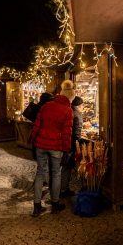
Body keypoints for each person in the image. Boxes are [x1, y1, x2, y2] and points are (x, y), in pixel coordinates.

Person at [30, 80, 75, 216]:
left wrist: (33, 143)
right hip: (56, 147)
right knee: (56, 174)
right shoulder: (68, 110)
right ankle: (55, 205)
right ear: (70, 97)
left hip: (41, 145)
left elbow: (37, 125)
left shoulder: (46, 105)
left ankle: (37, 207)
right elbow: (67, 134)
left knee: (40, 174)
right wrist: (66, 151)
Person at [60, 96, 84, 198]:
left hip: (65, 142)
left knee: (65, 166)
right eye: (82, 105)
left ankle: (62, 188)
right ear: (79, 106)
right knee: (67, 166)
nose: (83, 107)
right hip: (72, 145)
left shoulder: (68, 111)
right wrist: (79, 145)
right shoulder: (77, 116)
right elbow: (76, 134)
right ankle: (63, 189)